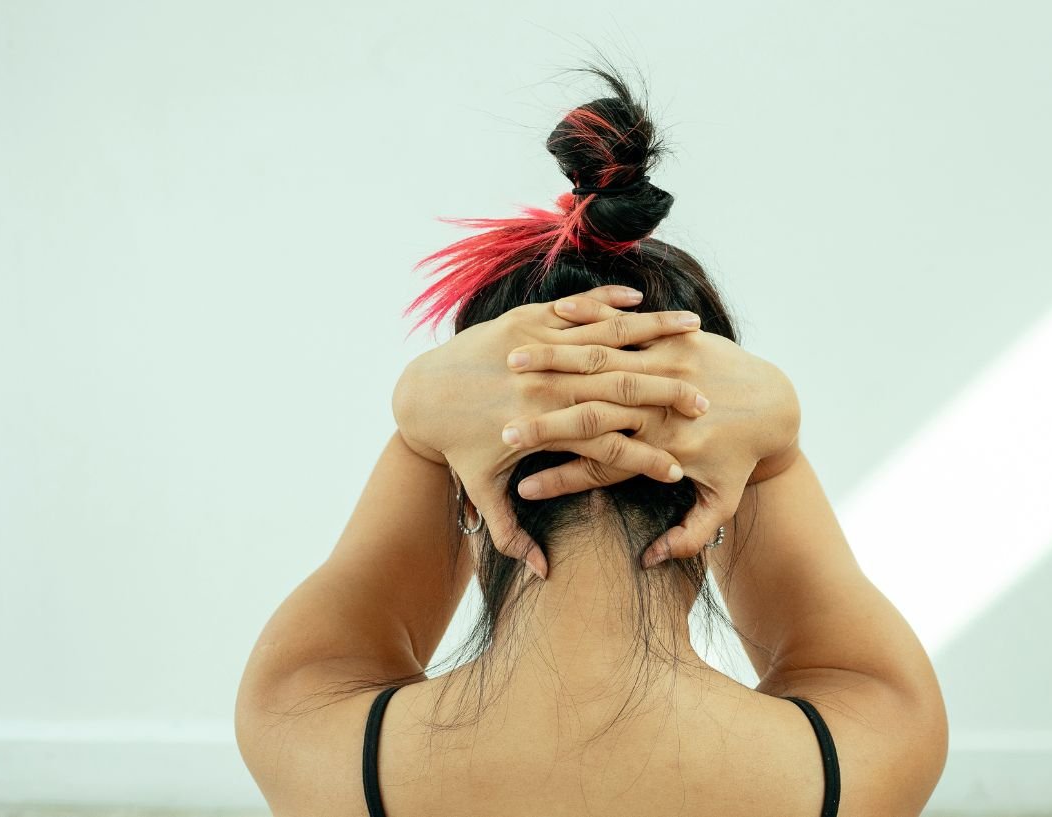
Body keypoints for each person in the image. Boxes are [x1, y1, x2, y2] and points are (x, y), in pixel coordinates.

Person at [235, 64, 947, 817]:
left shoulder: (325, 742)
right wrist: (778, 444)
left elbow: (340, 642)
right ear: (713, 504)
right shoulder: (857, 755)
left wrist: (420, 422)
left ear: (469, 493)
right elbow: (840, 655)